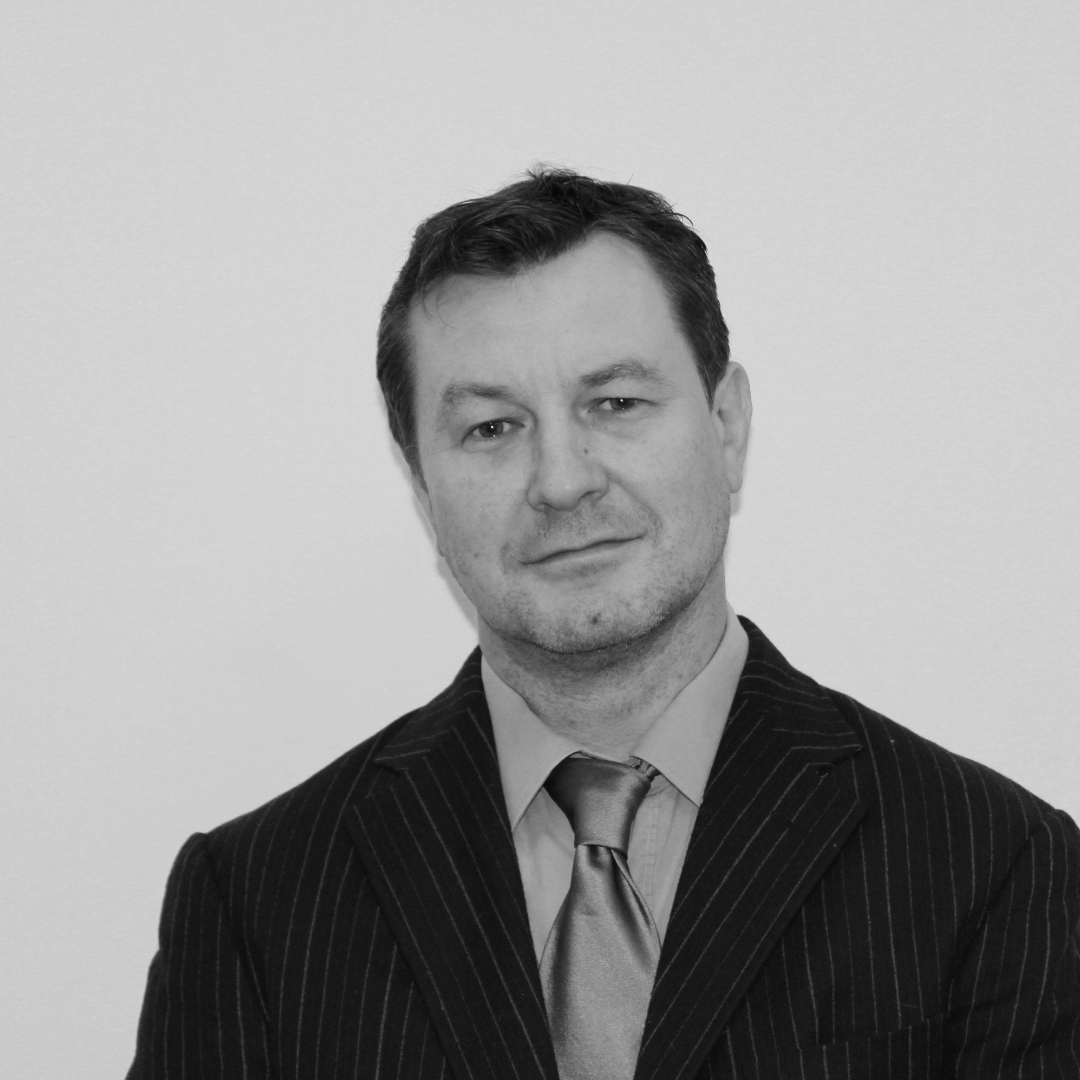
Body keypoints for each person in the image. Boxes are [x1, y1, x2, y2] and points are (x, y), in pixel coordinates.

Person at [127, 168, 1080, 1080]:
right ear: (421, 484)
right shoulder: (254, 901)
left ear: (728, 424)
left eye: (615, 403)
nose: (563, 479)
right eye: (492, 428)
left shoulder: (998, 866)